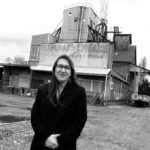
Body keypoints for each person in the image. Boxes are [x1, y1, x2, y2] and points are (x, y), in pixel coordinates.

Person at [30, 54, 87, 150]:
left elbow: (79, 121)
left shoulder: (79, 92)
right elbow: (35, 116)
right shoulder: (43, 90)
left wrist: (58, 140)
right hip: (41, 143)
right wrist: (46, 137)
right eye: (60, 66)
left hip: (65, 145)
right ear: (54, 69)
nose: (63, 70)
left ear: (71, 72)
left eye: (67, 67)